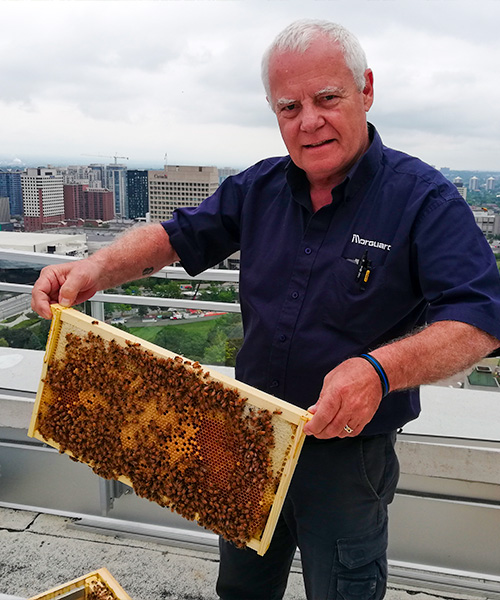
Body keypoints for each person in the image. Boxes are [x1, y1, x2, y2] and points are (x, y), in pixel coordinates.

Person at [31, 19, 500, 600]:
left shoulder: (423, 198)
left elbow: (479, 319)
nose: (309, 121)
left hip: (348, 456)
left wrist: (379, 371)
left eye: (327, 98)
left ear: (366, 90)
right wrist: (95, 268)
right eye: (289, 106)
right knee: (243, 588)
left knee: (343, 591)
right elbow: (173, 237)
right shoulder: (258, 187)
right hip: (246, 438)